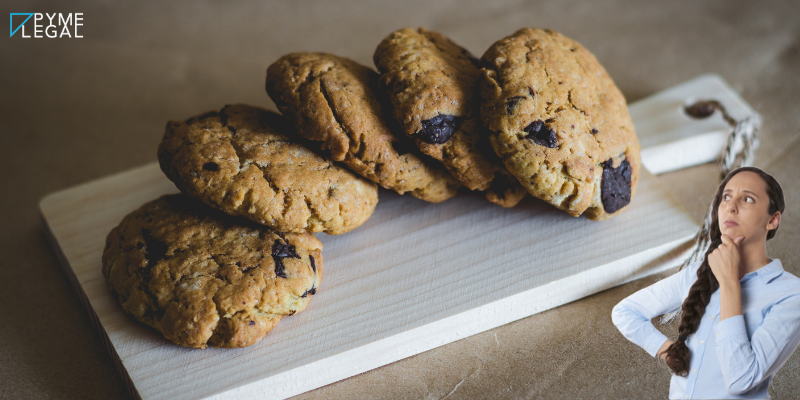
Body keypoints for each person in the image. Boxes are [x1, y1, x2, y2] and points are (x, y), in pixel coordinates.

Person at [612, 167, 799, 399]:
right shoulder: (696, 274)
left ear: (773, 220)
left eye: (748, 199)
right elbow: (625, 312)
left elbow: (741, 379)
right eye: (726, 197)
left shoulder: (791, 295)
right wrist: (669, 352)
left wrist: (730, 283)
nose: (731, 206)